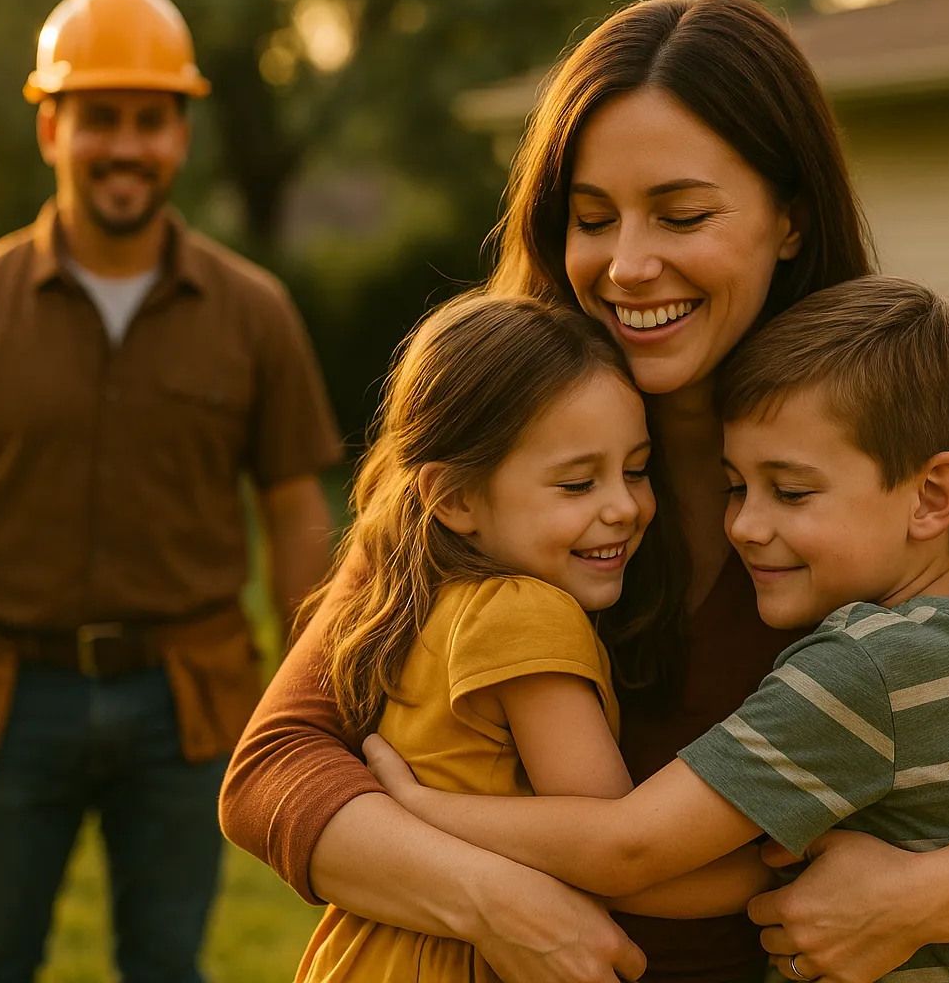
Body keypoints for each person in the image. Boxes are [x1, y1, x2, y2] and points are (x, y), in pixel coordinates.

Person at [221, 0, 949, 983]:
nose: (628, 265)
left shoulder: (881, 475)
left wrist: (906, 902)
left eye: (682, 213)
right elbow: (275, 767)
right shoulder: (492, 467)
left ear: (790, 220)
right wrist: (497, 900)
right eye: (592, 218)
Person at [365, 276, 949, 983]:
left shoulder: (858, 672)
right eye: (736, 488)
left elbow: (626, 850)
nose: (745, 527)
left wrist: (417, 809)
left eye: (790, 491)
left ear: (933, 496)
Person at [0, 0, 342, 982]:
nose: (124, 145)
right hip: (7, 694)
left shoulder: (255, 314)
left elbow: (296, 517)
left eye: (150, 120)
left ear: (181, 135)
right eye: (98, 118)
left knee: (167, 965)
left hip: (188, 695)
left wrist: (317, 704)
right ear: (51, 129)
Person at [294, 295, 772, 983]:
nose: (623, 507)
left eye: (636, 470)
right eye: (578, 482)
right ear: (454, 498)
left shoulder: (425, 597)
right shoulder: (526, 612)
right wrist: (777, 871)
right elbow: (618, 858)